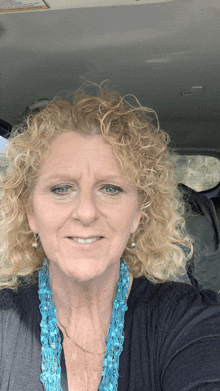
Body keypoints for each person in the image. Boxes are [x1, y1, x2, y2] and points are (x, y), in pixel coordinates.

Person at [0, 84, 219, 391]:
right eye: (61, 188)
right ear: (31, 212)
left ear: (138, 214)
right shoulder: (5, 323)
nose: (86, 212)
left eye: (111, 189)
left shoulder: (190, 321)